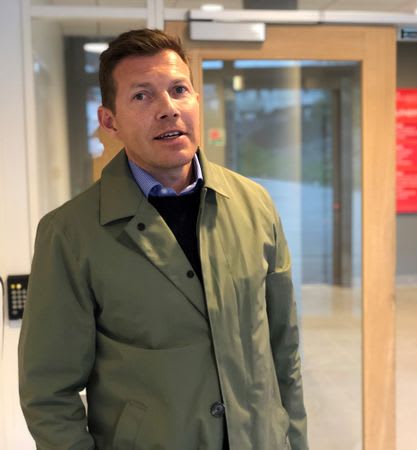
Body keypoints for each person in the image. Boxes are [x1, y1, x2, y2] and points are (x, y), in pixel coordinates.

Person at [18, 28, 308, 450]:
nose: (168, 109)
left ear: (196, 100)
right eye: (142, 96)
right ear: (109, 121)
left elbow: (284, 352)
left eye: (179, 90)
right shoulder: (70, 233)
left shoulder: (255, 205)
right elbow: (48, 393)